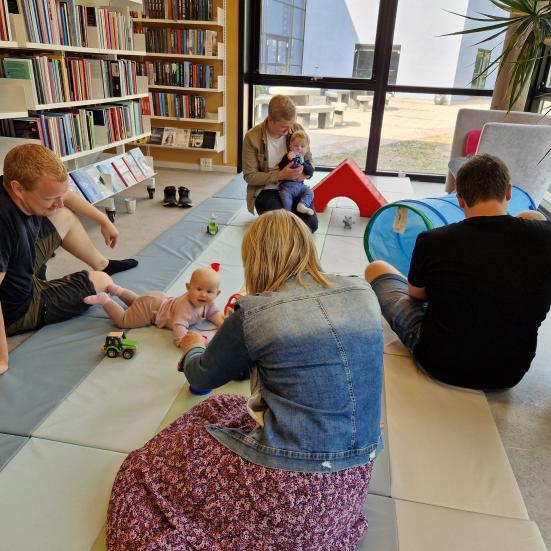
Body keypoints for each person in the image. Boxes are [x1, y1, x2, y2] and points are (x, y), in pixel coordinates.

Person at [106, 210, 384, 551]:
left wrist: (193, 346)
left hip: (290, 491)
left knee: (143, 468)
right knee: (225, 407)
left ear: (254, 258)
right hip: (351, 485)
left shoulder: (253, 311)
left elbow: (200, 374)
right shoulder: (362, 290)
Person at [365, 154, 551, 391]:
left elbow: (416, 296)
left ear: (460, 199)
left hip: (439, 362)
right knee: (532, 218)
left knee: (376, 268)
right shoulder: (546, 237)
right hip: (509, 373)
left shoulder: (433, 240)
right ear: (509, 192)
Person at [0, 144, 138, 375]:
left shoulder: (14, 180)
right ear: (18, 189)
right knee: (102, 281)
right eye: (50, 198)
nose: (59, 201)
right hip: (18, 308)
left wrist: (103, 220)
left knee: (63, 215)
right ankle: (101, 271)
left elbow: (66, 197)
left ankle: (102, 261)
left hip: (21, 262)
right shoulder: (2, 223)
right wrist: (2, 359)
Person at [83, 264, 225, 349]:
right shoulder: (184, 307)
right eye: (199, 289)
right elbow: (179, 328)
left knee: (136, 302)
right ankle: (105, 300)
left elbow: (214, 314)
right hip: (150, 310)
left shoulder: (208, 303)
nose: (204, 295)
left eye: (209, 292)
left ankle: (117, 290)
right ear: (188, 287)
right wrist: (185, 342)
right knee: (123, 320)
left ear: (217, 293)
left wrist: (222, 324)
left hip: (157, 299)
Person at [242, 94, 319, 232]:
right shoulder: (252, 137)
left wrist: (304, 174)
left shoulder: (296, 129)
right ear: (270, 120)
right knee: (281, 228)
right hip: (267, 189)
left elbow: (310, 161)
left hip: (295, 187)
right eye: (284, 127)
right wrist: (281, 175)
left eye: (291, 126)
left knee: (310, 226)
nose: (290, 130)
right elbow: (250, 176)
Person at [278, 130, 315, 215]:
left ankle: (302, 205)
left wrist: (303, 163)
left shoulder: (305, 160)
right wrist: (287, 159)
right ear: (290, 147)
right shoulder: (287, 156)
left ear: (307, 149)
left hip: (300, 186)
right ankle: (288, 213)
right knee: (285, 200)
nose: (299, 148)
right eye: (295, 146)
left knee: (310, 192)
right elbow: (280, 166)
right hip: (286, 187)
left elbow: (310, 172)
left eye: (302, 146)